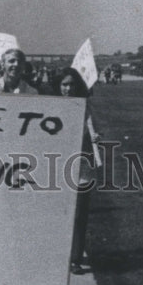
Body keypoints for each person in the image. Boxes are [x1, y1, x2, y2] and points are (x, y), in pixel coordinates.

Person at [56, 66, 101, 274]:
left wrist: (95, 138)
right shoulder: (51, 107)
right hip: (55, 169)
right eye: (64, 84)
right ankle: (58, 252)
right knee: (58, 214)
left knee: (79, 214)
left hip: (81, 168)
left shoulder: (85, 108)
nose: (68, 88)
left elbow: (92, 132)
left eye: (72, 84)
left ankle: (75, 258)